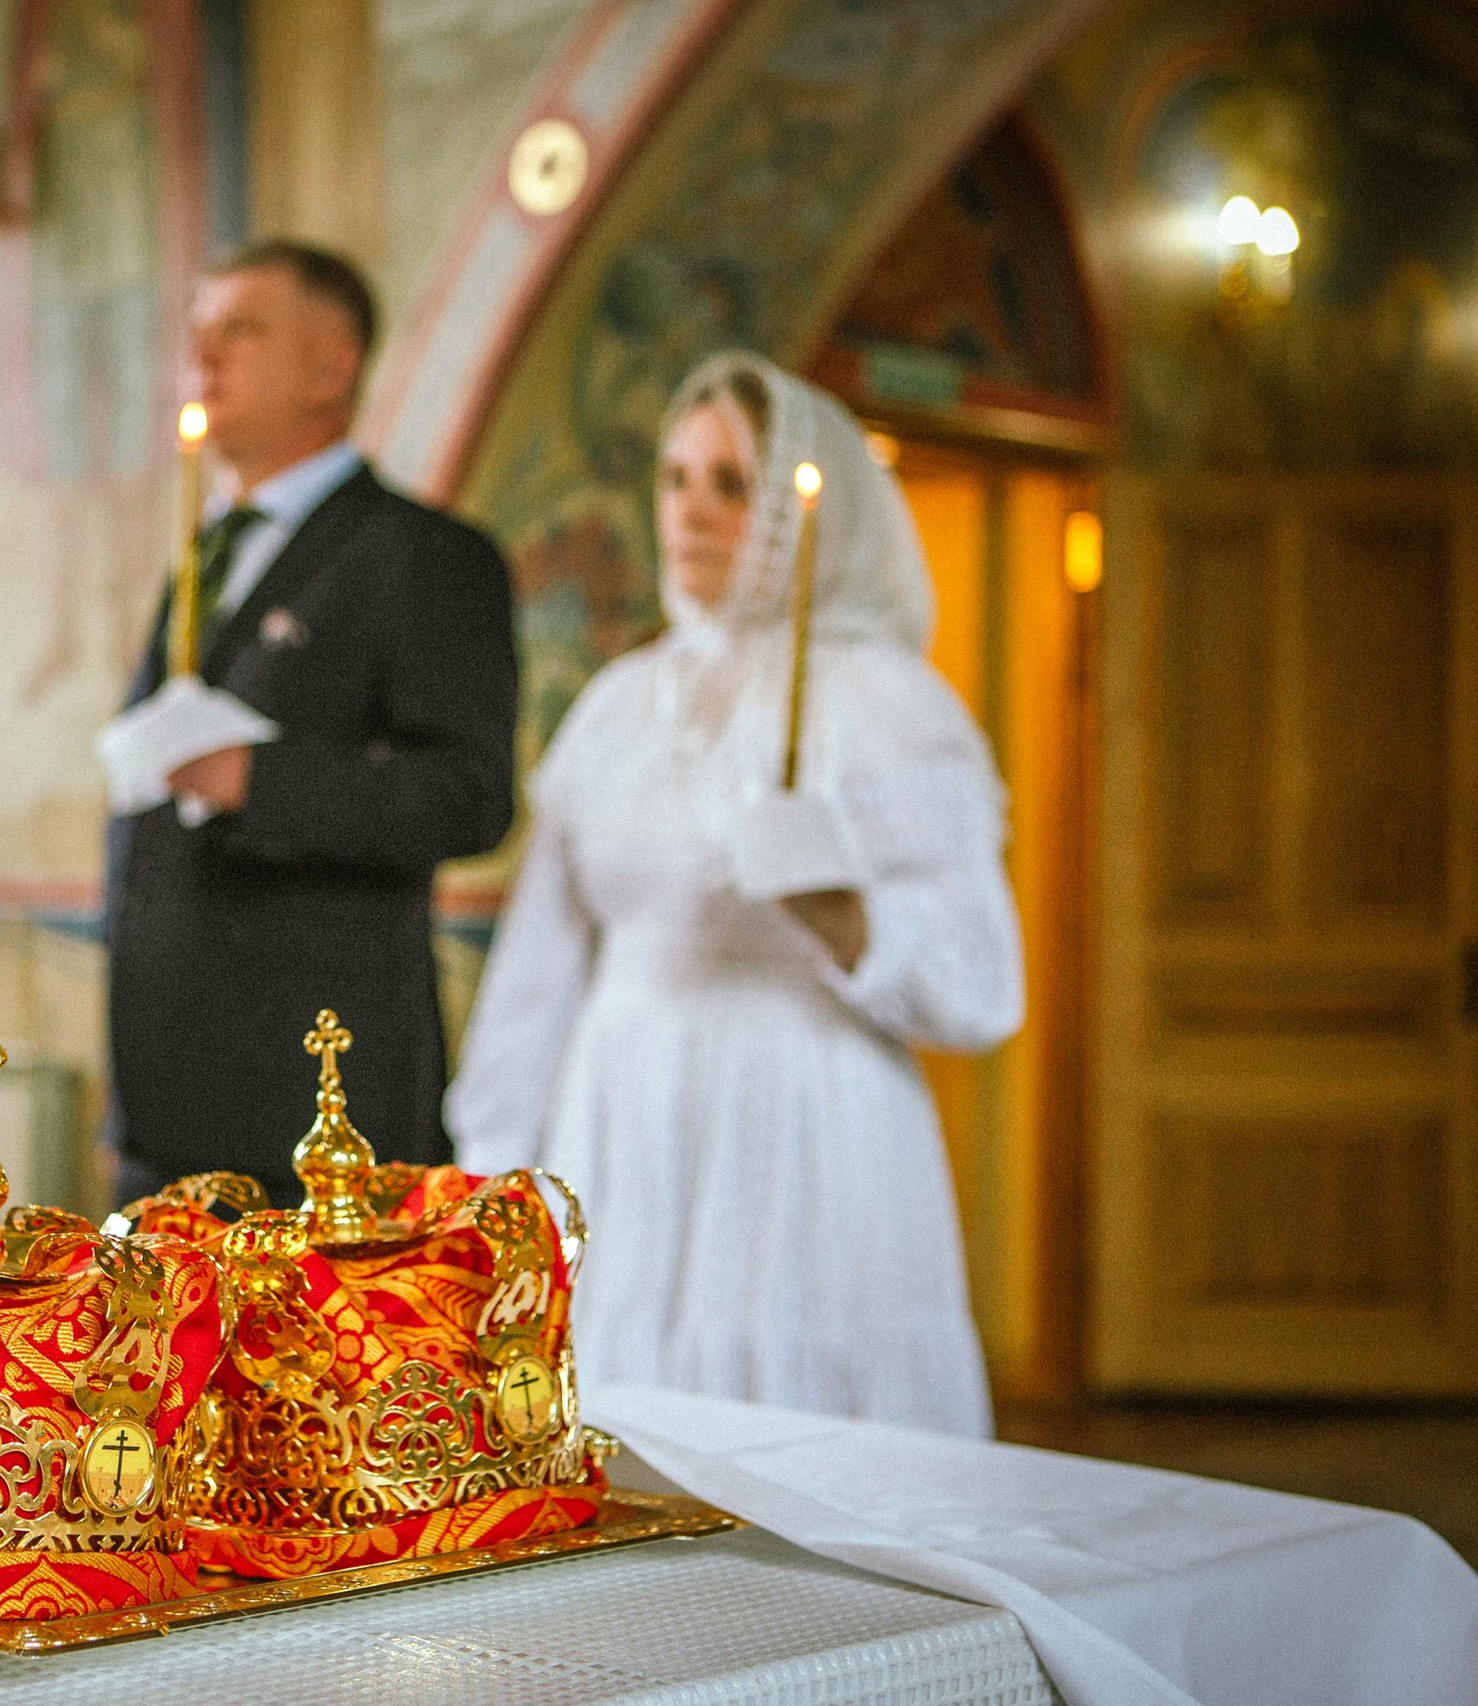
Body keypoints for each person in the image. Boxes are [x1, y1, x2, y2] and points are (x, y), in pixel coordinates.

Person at [445, 351, 1020, 1438]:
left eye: (731, 483)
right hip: (618, 1114)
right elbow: (539, 972)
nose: (690, 512)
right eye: (673, 478)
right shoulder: (621, 703)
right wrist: (496, 1179)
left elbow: (981, 986)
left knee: (809, 1439)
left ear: (809, 513)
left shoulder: (892, 705)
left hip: (805, 1115)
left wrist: (839, 910)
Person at [103, 241, 519, 1207]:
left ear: (332, 366)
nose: (202, 360)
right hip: (167, 1103)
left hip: (324, 1101)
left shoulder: (422, 555)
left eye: (240, 332)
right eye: (197, 336)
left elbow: (469, 796)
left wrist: (261, 779)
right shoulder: (201, 556)